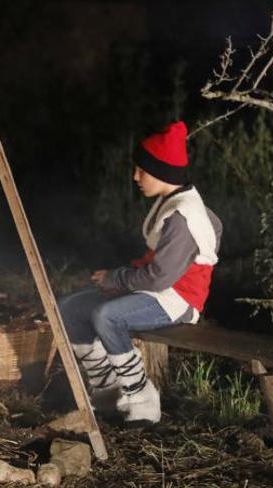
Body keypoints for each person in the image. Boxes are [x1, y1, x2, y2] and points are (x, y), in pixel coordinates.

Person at [58, 121, 223, 424]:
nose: (136, 177)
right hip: (156, 289)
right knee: (70, 309)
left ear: (161, 172)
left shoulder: (183, 216)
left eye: (141, 171)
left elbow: (161, 277)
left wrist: (116, 278)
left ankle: (143, 399)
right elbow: (208, 230)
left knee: (108, 316)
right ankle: (106, 388)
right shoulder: (173, 200)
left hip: (178, 300)